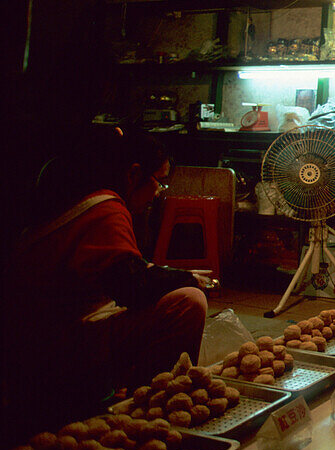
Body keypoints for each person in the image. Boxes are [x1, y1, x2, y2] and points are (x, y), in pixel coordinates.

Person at [2, 126, 208, 433]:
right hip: (42, 349)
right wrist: (185, 277)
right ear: (133, 174)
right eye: (159, 182)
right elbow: (132, 288)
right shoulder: (106, 209)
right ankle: (150, 412)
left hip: (33, 338)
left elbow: (125, 269)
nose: (157, 193)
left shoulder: (79, 196)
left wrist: (166, 274)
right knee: (187, 303)